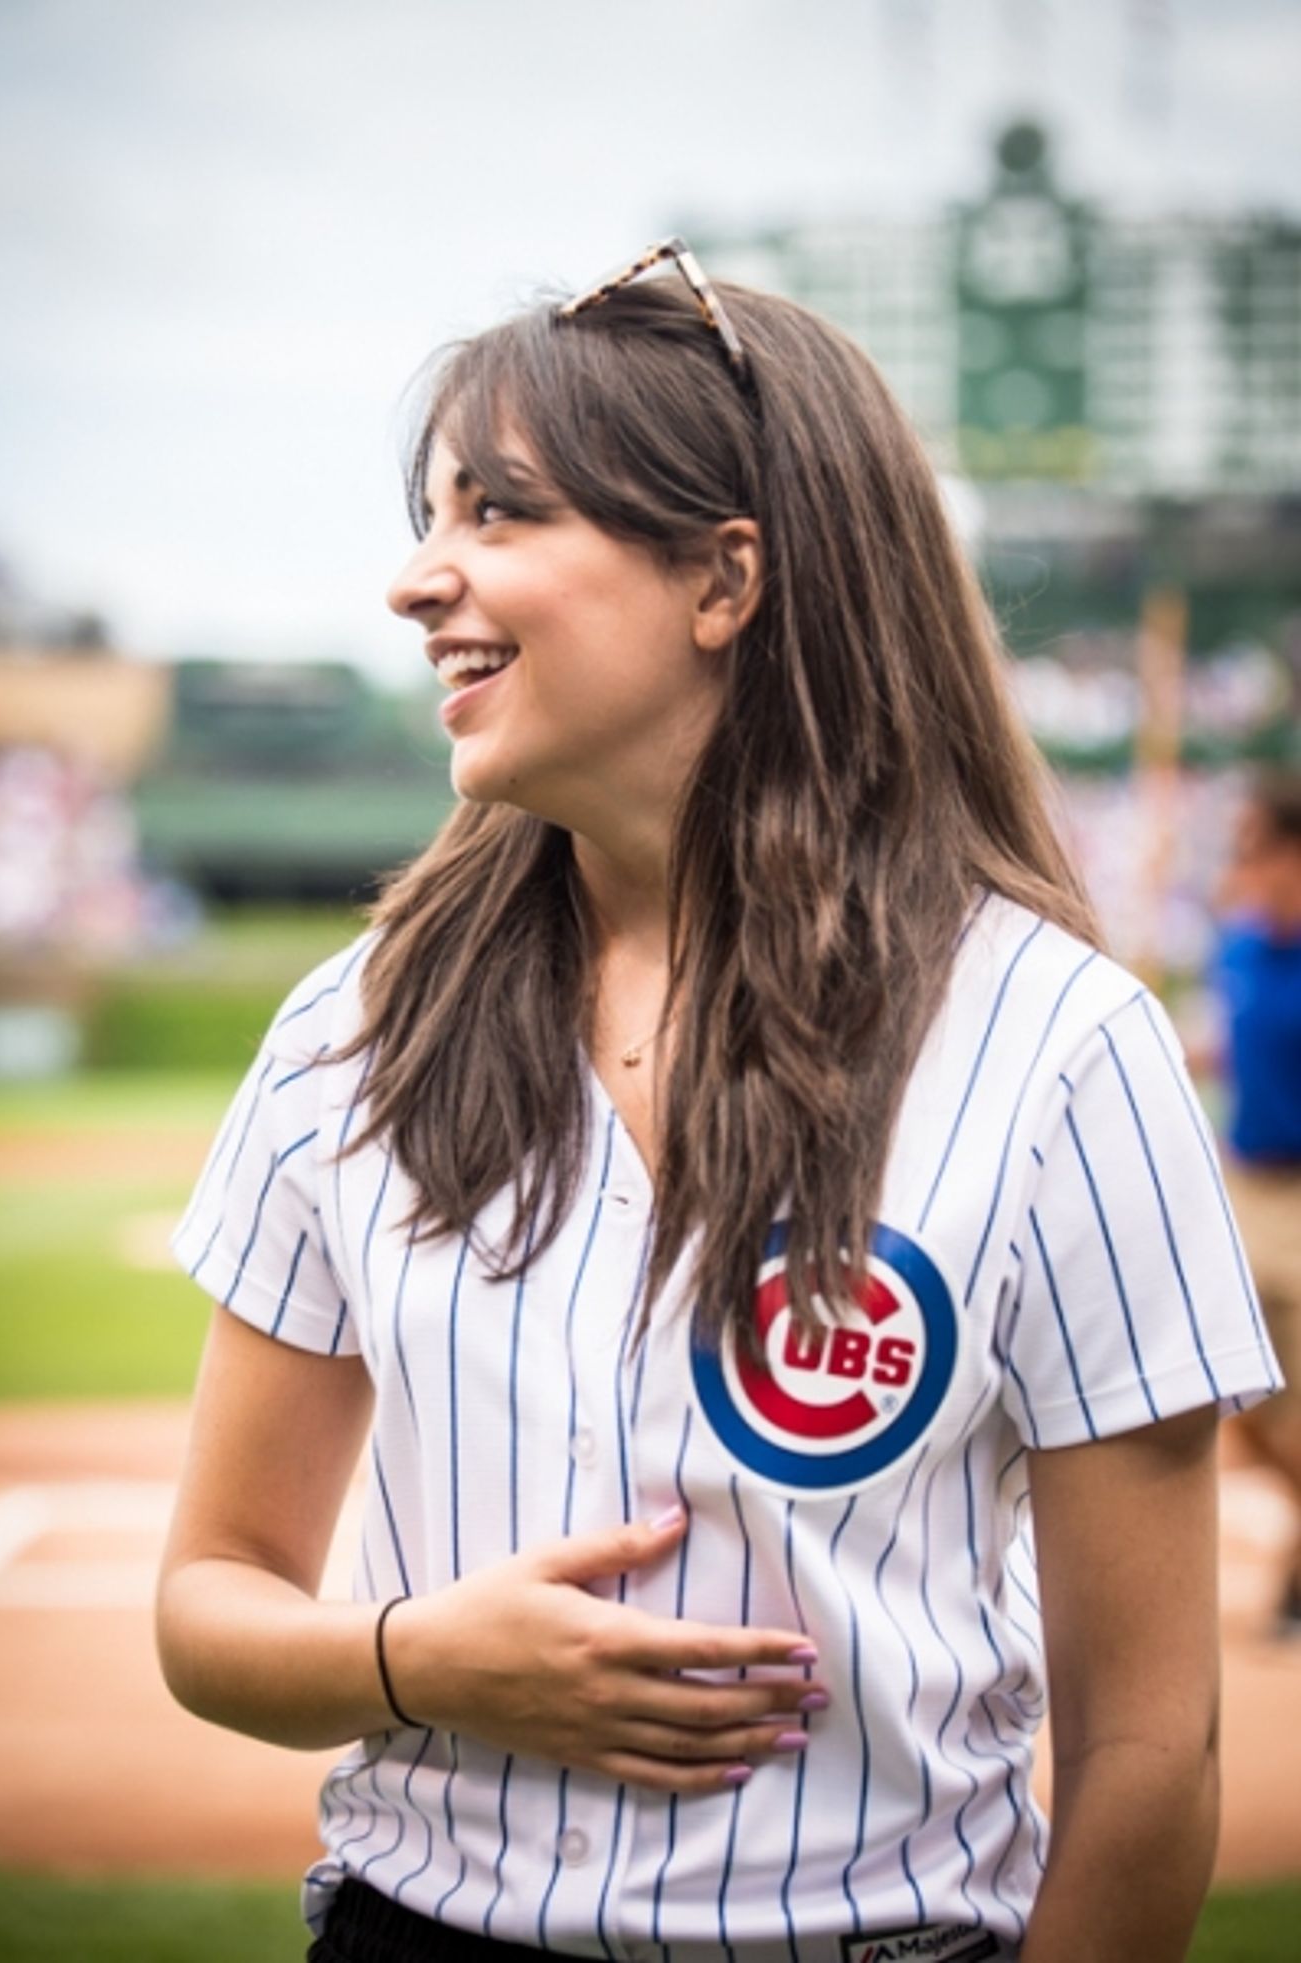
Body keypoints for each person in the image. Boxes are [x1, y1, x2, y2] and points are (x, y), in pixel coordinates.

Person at [156, 240, 1279, 1963]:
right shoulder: (347, 1030)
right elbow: (207, 1601)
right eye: (430, 514)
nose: (416, 578)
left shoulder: (1063, 1045)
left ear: (725, 578)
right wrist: (420, 1660)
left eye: (499, 513)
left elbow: (1147, 1749)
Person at [1211, 769, 1301, 1637]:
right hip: (1246, 1189)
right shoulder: (1235, 947)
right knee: (1245, 1398)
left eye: (1253, 848)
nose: (1240, 864)